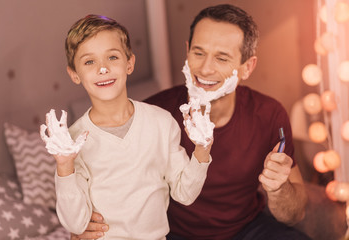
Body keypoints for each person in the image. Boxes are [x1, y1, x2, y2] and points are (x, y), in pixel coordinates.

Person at [72, 4, 311, 240]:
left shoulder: (269, 114)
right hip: (174, 234)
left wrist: (279, 189)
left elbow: (294, 213)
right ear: (187, 51)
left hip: (247, 229)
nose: (205, 68)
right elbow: (110, 184)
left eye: (222, 58)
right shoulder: (152, 116)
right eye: (198, 52)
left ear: (247, 67)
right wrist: (83, 225)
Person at [41, 14, 213, 240]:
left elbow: (185, 193)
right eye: (89, 61)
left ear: (129, 63)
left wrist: (202, 148)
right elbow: (75, 222)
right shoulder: (72, 141)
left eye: (112, 57)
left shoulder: (162, 123)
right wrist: (64, 166)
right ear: (74, 74)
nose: (103, 69)